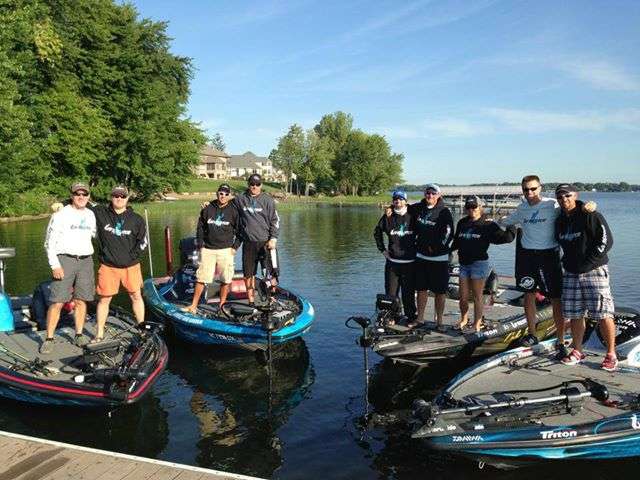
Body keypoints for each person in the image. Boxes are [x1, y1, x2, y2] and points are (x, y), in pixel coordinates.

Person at [554, 184, 617, 371]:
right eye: (560, 197)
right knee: (575, 314)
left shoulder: (590, 214)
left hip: (594, 270)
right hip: (571, 272)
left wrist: (589, 262)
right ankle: (577, 350)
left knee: (603, 313)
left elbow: (606, 241)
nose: (564, 199)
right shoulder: (560, 220)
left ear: (576, 195)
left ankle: (611, 354)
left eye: (567, 195)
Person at [41, 182, 97, 354]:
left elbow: (94, 234)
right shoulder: (60, 215)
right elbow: (49, 243)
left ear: (88, 196)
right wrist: (55, 265)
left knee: (81, 300)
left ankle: (78, 334)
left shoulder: (90, 214)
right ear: (72, 196)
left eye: (84, 194)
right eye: (77, 194)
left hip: (86, 261)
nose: (81, 197)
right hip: (65, 260)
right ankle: (49, 338)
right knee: (58, 301)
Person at [450, 196, 516, 331]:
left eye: (474, 207)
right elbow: (456, 242)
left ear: (480, 207)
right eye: (468, 207)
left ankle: (477, 323)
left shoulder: (488, 224)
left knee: (477, 296)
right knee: (463, 297)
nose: (471, 210)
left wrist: (511, 224)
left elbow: (507, 238)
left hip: (479, 264)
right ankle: (464, 320)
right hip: (463, 264)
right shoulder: (462, 223)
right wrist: (442, 250)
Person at [92, 186, 148, 342]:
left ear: (127, 198)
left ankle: (142, 330)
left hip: (131, 266)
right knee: (104, 300)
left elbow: (143, 242)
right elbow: (81, 201)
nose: (119, 198)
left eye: (122, 196)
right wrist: (63, 204)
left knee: (136, 296)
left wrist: (131, 257)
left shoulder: (136, 219)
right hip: (108, 266)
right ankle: (99, 333)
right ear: (111, 197)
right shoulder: (100, 213)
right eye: (116, 196)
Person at [182, 183, 241, 313]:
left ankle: (221, 307)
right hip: (208, 249)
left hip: (226, 250)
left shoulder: (234, 211)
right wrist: (200, 245)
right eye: (221, 193)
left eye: (226, 194)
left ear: (229, 195)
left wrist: (235, 247)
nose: (223, 196)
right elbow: (200, 228)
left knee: (225, 279)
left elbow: (240, 231)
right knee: (201, 278)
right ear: (217, 193)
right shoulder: (208, 208)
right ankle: (193, 306)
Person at [409, 183, 454, 328]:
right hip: (421, 257)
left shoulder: (444, 212)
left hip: (439, 258)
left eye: (433, 193)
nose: (430, 195)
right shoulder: (418, 208)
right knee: (421, 289)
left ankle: (439, 321)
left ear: (438, 195)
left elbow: (449, 233)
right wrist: (391, 208)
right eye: (428, 193)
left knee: (440, 291)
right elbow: (403, 208)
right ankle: (420, 319)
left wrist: (436, 247)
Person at [234, 174, 280, 304]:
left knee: (271, 273)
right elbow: (225, 204)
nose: (254, 187)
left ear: (261, 185)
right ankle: (251, 301)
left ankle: (272, 299)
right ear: (248, 184)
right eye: (252, 184)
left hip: (266, 243)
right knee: (248, 274)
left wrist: (273, 238)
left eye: (257, 184)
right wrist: (210, 204)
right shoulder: (240, 199)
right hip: (248, 244)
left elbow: (275, 220)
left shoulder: (268, 200)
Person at [374, 190, 417, 323]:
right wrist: (382, 250)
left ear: (405, 201)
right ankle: (392, 316)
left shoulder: (413, 215)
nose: (398, 201)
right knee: (391, 292)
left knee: (408, 292)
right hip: (392, 262)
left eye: (401, 199)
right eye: (395, 199)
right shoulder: (388, 216)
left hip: (410, 262)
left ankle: (411, 317)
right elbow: (377, 232)